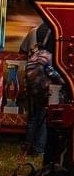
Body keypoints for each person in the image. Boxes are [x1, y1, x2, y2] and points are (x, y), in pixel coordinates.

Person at [19, 22, 55, 156]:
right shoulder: (55, 31)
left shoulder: (33, 31)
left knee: (32, 113)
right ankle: (39, 147)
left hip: (32, 77)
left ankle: (28, 145)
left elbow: (22, 50)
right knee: (44, 114)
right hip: (47, 78)